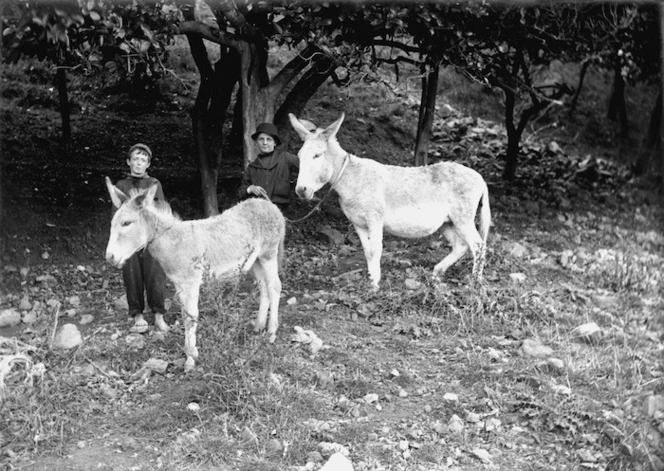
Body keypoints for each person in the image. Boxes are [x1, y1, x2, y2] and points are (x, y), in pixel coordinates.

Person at [112, 143, 168, 334]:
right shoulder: (122, 185)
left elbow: (161, 210)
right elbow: (118, 217)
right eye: (135, 159)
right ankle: (137, 315)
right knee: (132, 275)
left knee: (155, 275)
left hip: (151, 239)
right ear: (129, 161)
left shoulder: (154, 184)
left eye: (143, 160)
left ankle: (159, 315)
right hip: (129, 241)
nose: (138, 163)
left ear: (148, 164)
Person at [237, 122, 299, 214]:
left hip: (281, 213)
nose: (265, 143)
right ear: (256, 142)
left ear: (275, 143)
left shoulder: (286, 158)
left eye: (269, 139)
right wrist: (250, 188)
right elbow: (240, 193)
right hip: (257, 214)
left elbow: (307, 167)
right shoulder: (252, 167)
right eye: (261, 139)